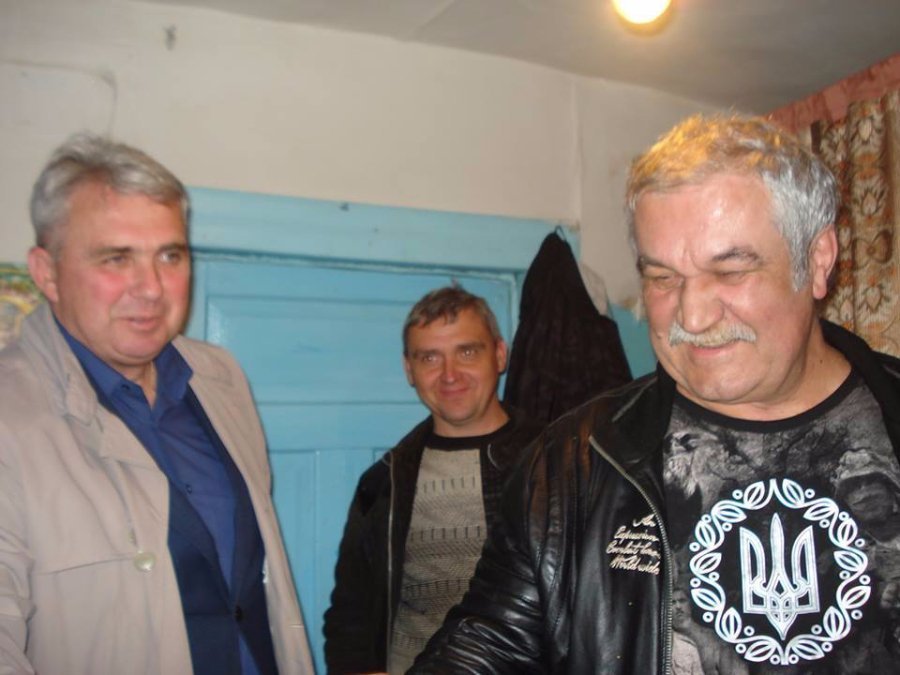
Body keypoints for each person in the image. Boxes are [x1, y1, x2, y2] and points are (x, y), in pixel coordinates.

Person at [410, 114, 900, 674]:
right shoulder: (572, 463)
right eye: (663, 278)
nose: (691, 316)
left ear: (817, 260)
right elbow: (485, 646)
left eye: (730, 271)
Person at [0, 133, 314, 674]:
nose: (150, 288)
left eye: (170, 255)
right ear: (47, 272)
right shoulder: (11, 416)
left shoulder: (221, 378)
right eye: (116, 258)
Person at [322, 286, 543, 674]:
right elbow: (350, 615)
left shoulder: (556, 463)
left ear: (499, 355)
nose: (450, 375)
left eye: (467, 352)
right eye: (429, 358)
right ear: (409, 370)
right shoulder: (384, 483)